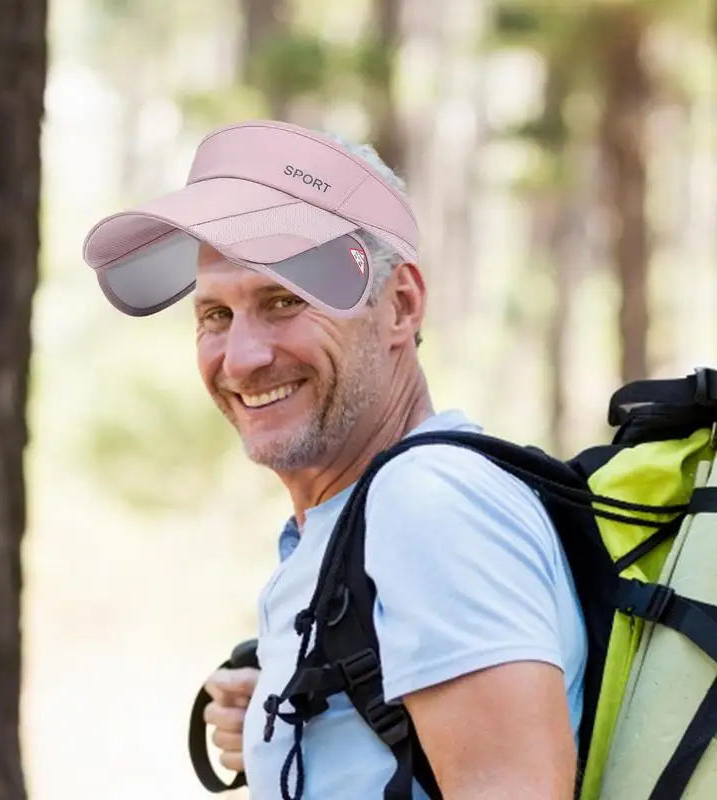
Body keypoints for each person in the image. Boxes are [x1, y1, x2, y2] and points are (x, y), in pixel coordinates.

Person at [82, 120, 588, 799]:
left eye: (284, 300)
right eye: (215, 316)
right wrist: (289, 713)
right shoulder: (354, 517)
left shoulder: (429, 505)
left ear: (401, 307)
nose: (242, 358)